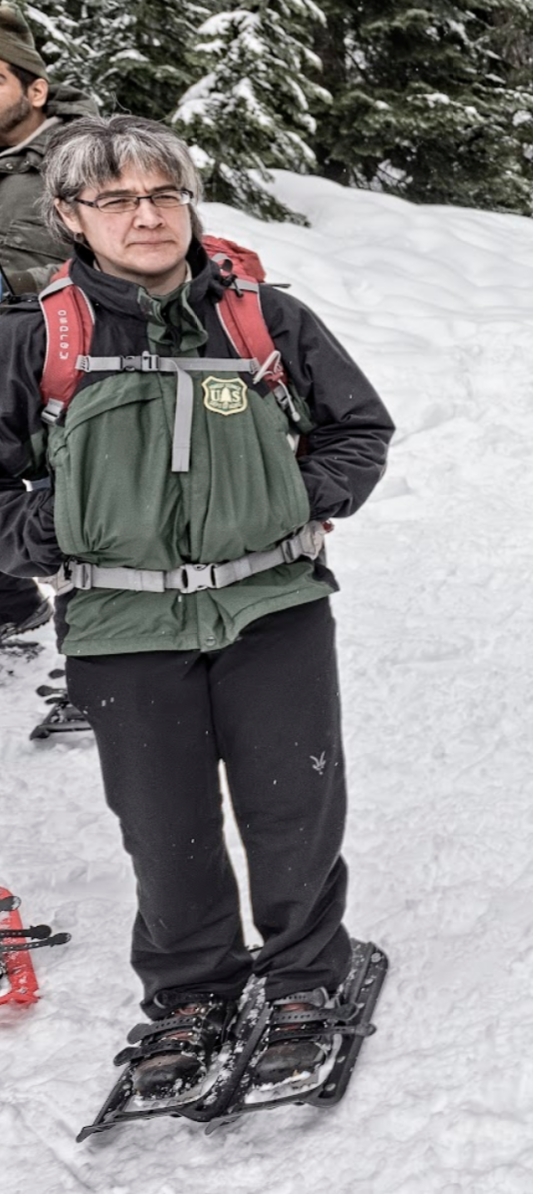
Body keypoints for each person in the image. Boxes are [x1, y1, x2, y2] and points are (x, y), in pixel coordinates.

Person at [0, 117, 393, 1103]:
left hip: (273, 606)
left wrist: (299, 498)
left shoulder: (262, 317)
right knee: (162, 823)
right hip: (120, 627)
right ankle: (190, 991)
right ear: (71, 218)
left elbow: (358, 427)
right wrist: (44, 529)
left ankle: (306, 972)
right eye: (118, 198)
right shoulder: (32, 342)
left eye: (164, 193)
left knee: (291, 804)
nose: (147, 214)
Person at [0, 5, 97, 642]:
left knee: (87, 502)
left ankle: (101, 652)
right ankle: (12, 607)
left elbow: (143, 260)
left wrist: (14, 287)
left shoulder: (90, 157)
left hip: (74, 359)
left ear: (36, 89)